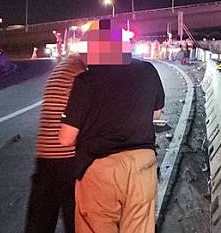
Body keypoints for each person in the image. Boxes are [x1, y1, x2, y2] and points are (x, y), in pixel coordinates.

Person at [59, 18, 165, 233]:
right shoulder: (147, 70)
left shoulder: (86, 81)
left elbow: (66, 138)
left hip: (100, 170)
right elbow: (156, 113)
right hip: (142, 165)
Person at [25, 55, 85, 233]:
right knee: (77, 221)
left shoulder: (66, 66)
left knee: (40, 220)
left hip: (46, 157)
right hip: (68, 158)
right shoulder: (81, 73)